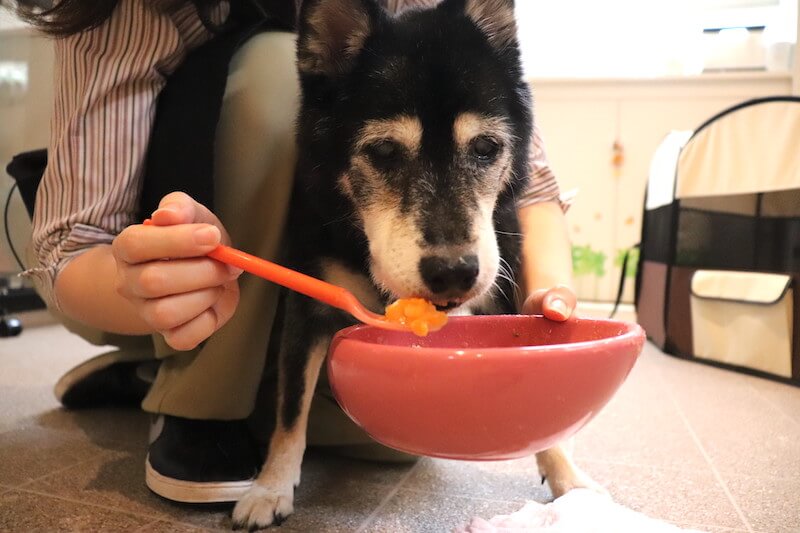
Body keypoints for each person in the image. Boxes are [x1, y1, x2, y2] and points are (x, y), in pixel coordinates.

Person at [11, 0, 577, 504]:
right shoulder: (126, 11)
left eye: (483, 149)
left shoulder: (452, 21)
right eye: (384, 151)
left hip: (304, 251)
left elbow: (537, 188)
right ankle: (198, 396)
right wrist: (144, 293)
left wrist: (551, 296)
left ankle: (142, 380)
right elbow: (73, 243)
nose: (454, 253)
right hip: (131, 265)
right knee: (271, 78)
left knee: (401, 436)